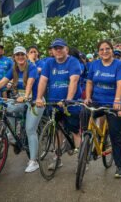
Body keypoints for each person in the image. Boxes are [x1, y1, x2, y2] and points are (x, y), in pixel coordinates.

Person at [0, 46, 44, 173]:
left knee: (30, 129)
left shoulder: (31, 67)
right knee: (8, 108)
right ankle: (12, 136)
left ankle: (33, 161)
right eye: (17, 55)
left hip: (35, 101)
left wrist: (26, 96)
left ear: (26, 56)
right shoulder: (14, 69)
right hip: (21, 100)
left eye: (22, 54)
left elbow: (30, 83)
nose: (20, 57)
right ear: (14, 57)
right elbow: (2, 82)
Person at [82, 40, 121, 178]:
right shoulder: (94, 64)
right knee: (84, 111)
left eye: (107, 49)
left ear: (112, 50)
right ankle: (87, 137)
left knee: (115, 134)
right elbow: (90, 82)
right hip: (97, 100)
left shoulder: (119, 65)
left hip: (114, 103)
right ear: (98, 52)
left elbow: (120, 84)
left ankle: (120, 165)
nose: (105, 51)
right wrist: (88, 97)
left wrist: (117, 100)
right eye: (101, 49)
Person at [36, 38, 82, 169]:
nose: (58, 50)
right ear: (52, 51)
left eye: (60, 48)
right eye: (55, 48)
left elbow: (73, 81)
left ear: (66, 49)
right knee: (57, 130)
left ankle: (81, 160)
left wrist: (68, 99)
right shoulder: (49, 63)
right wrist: (39, 98)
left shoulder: (73, 62)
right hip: (54, 102)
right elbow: (43, 81)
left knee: (75, 131)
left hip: (70, 103)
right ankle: (57, 158)